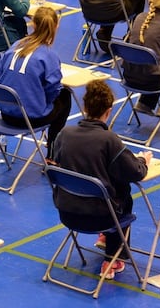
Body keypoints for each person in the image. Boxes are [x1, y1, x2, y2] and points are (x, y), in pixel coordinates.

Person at [51, 80, 150, 282]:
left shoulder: (65, 134)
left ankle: (106, 238)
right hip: (101, 217)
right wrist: (143, 161)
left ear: (85, 107)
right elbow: (136, 173)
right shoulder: (109, 140)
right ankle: (114, 257)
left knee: (98, 185)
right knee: (122, 193)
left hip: (67, 213)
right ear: (109, 111)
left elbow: (57, 161)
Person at [0, 5, 71, 147]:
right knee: (65, 96)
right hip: (29, 119)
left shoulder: (15, 46)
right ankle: (52, 152)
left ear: (33, 24)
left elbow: (1, 76)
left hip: (5, 114)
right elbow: (53, 91)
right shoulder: (49, 55)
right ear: (56, 26)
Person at [124, 0, 160, 116]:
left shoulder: (140, 17)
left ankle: (145, 103)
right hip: (154, 82)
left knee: (151, 61)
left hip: (129, 76)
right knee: (155, 65)